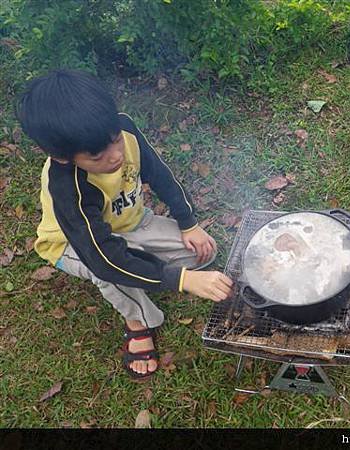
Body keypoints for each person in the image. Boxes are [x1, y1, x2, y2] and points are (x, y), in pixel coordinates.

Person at [16, 69, 234, 381]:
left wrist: (188, 224)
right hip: (75, 245)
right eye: (97, 155)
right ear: (62, 156)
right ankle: (138, 322)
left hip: (133, 222)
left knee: (204, 252)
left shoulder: (122, 126)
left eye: (116, 140)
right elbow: (103, 258)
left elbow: (159, 174)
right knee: (110, 271)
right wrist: (182, 281)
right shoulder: (66, 185)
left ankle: (144, 268)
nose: (116, 155)